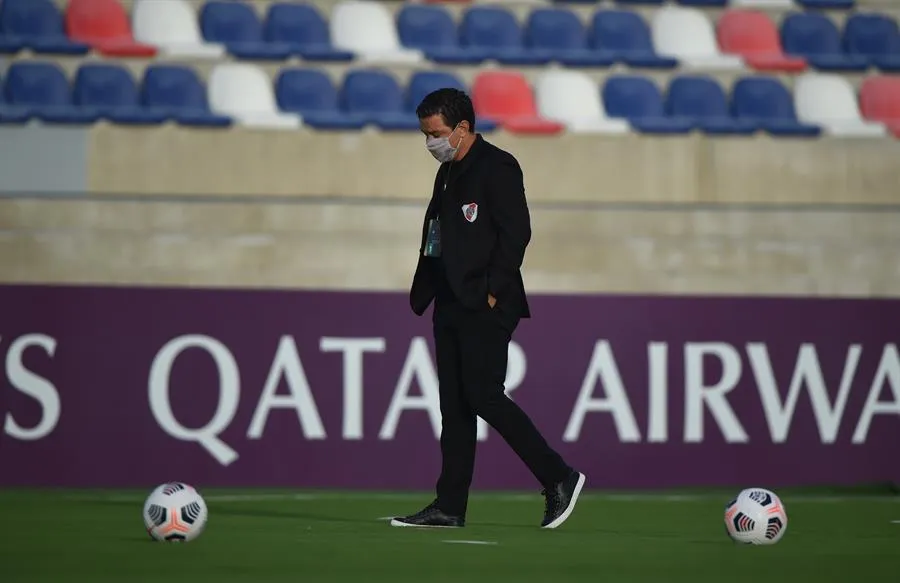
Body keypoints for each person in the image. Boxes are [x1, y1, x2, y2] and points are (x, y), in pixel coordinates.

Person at [389, 88, 585, 530]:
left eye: (435, 134)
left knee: (482, 395)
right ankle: (449, 506)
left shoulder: (498, 166)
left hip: (484, 303)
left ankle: (559, 477)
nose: (430, 143)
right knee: (454, 407)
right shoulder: (447, 171)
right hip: (450, 301)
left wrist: (492, 292)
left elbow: (517, 233)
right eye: (425, 135)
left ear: (462, 128)